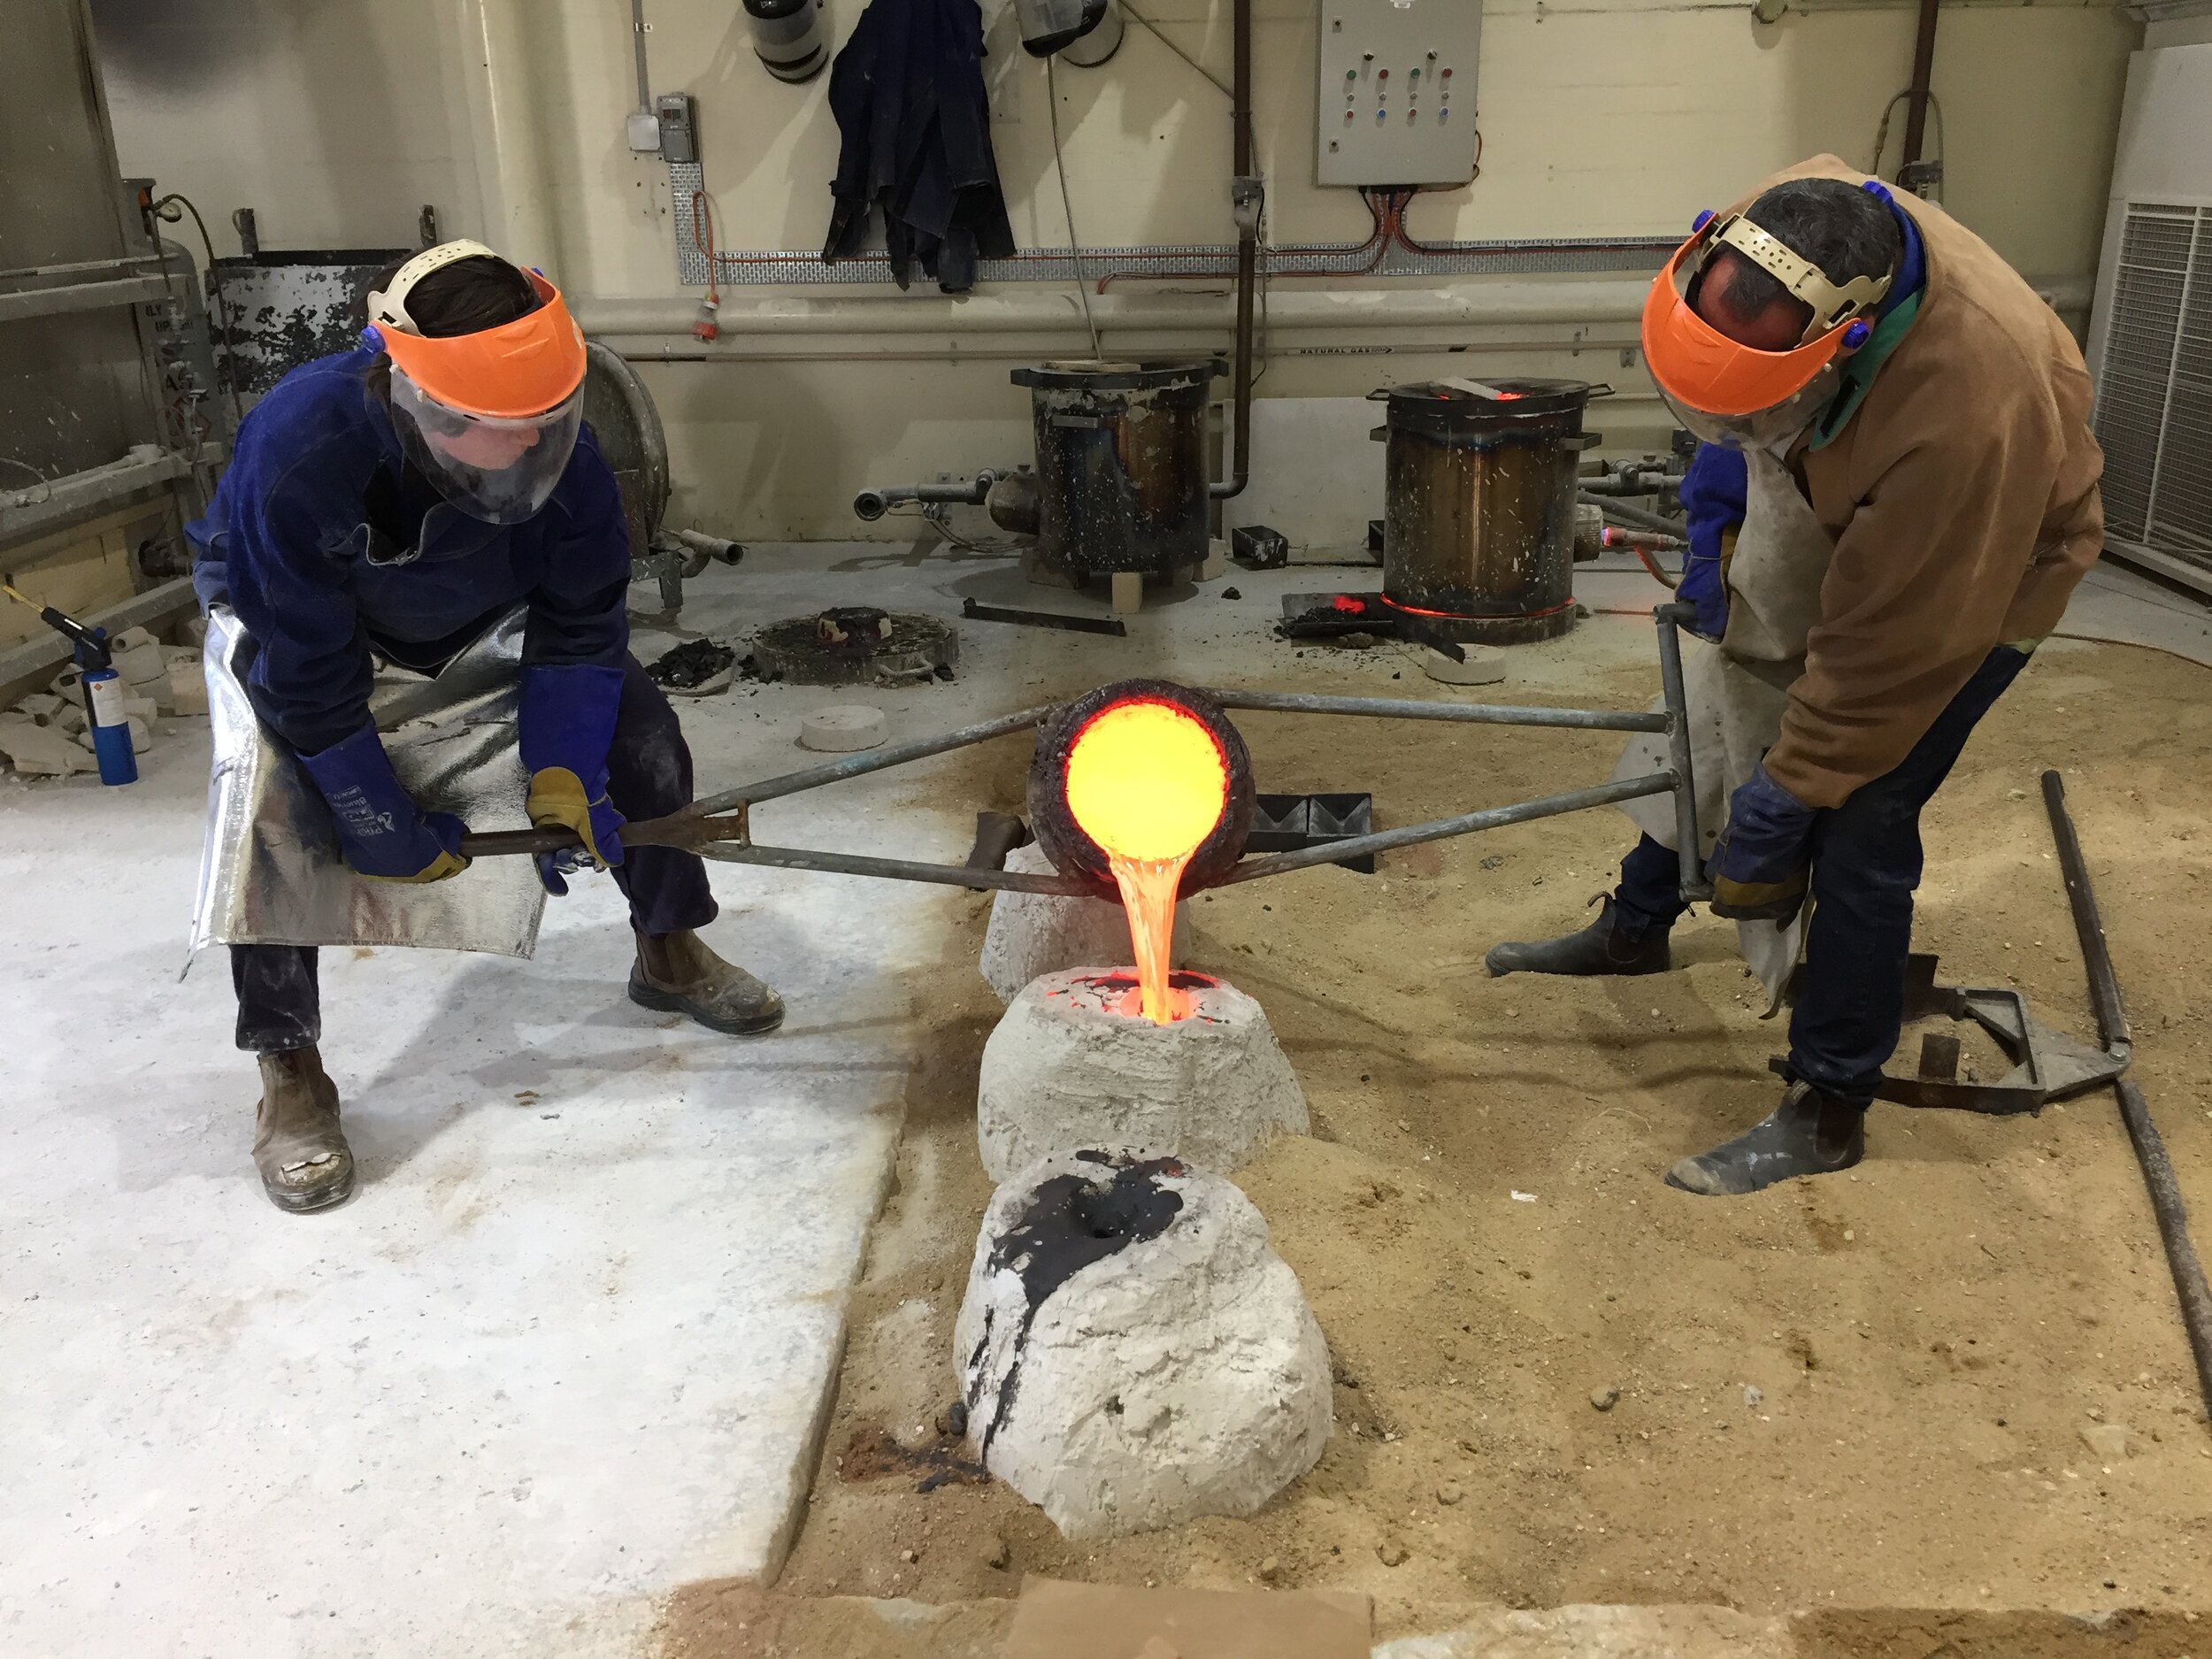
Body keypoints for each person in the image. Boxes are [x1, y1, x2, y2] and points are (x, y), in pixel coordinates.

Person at [1486, 157, 2103, 1195]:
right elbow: (1731, 382)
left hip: (1978, 565)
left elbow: (1879, 660)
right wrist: (1721, 484)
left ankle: (1826, 1107)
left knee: (1860, 810)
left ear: (1844, 343)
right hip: (1823, 454)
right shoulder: (1800, 211)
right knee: (1715, 691)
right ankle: (1636, 925)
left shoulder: (1966, 411)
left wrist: (1791, 791)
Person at [188, 241, 782, 1215]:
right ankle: (290, 1072)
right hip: (307, 621)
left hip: (479, 608)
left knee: (644, 743)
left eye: (539, 428)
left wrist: (564, 766)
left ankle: (667, 947)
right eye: (487, 428)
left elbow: (582, 626)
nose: (522, 450)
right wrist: (369, 808)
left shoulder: (569, 459)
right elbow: (305, 664)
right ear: (403, 385)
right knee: (272, 813)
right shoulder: (301, 449)